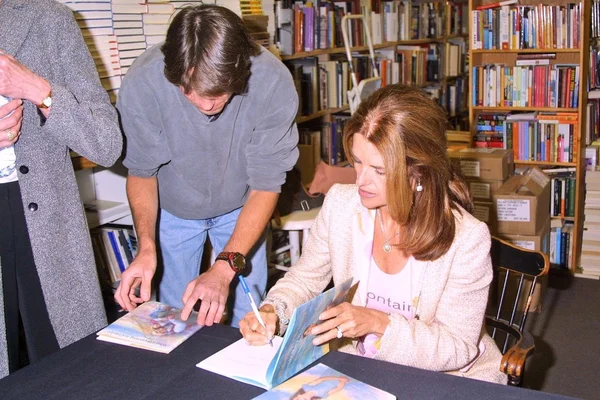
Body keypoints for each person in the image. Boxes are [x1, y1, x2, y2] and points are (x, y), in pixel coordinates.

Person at [240, 84, 507, 384]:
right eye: (357, 161)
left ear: (419, 171)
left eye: (379, 171)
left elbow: (456, 347)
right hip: (364, 369)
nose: (361, 180)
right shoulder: (341, 205)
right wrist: (273, 310)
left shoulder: (467, 239)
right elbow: (304, 279)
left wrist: (379, 323)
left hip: (446, 377)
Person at [115, 5, 298, 328]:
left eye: (217, 94)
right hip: (173, 207)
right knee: (175, 316)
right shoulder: (144, 80)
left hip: (243, 206)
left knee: (251, 318)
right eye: (189, 92)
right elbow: (142, 172)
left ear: (241, 72)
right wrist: (146, 247)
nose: (204, 105)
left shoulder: (272, 81)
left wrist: (224, 266)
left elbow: (266, 184)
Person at [0, 0, 123, 378]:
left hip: (45, 223)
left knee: (71, 373)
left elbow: (107, 144)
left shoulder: (48, 19)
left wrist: (41, 90)